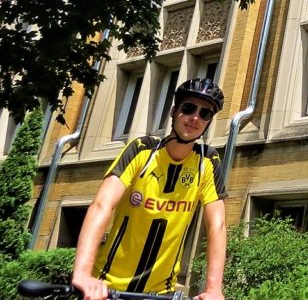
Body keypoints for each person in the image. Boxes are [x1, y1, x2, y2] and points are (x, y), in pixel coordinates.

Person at [71, 78, 228, 300]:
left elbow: (217, 225)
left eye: (205, 114)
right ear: (174, 111)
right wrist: (83, 273)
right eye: (189, 107)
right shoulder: (142, 150)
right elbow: (101, 205)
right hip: (106, 288)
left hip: (160, 293)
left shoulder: (208, 161)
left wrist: (213, 289)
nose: (195, 117)